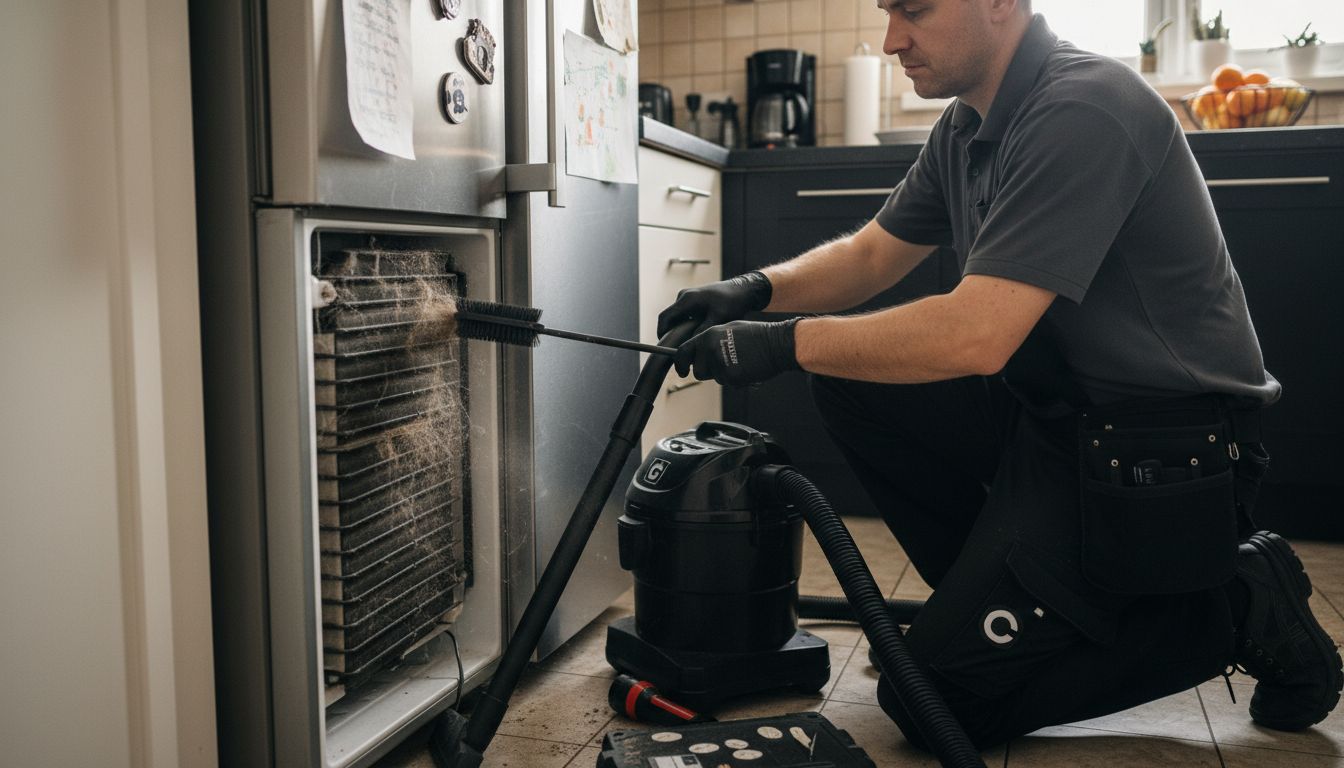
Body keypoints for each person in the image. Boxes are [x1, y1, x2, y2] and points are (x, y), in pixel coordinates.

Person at [657, 0, 1341, 749]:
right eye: (888, 11)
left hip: (1168, 456)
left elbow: (978, 335)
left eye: (913, 10)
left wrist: (780, 343)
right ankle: (985, 608)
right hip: (1059, 423)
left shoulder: (1086, 107)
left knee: (935, 705)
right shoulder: (967, 126)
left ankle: (1240, 601)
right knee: (856, 380)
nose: (892, 40)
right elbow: (871, 257)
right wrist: (754, 289)